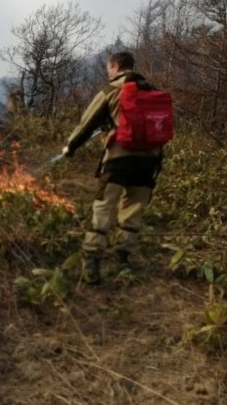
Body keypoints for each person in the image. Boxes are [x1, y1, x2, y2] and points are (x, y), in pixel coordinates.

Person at [61, 51, 163, 284]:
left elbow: (87, 122)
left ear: (115, 66)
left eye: (109, 68)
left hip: (119, 158)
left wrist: (71, 146)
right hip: (148, 160)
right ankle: (123, 259)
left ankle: (92, 263)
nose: (108, 73)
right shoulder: (152, 90)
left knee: (104, 208)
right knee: (133, 209)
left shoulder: (113, 90)